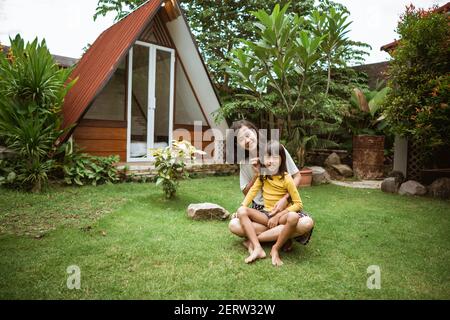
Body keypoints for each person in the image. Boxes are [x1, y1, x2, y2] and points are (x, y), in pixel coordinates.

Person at [228, 120, 314, 252]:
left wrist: (285, 198)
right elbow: (247, 193)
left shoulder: (276, 149)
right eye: (240, 139)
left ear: (255, 131)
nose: (246, 140)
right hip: (260, 210)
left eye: (247, 134)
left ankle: (256, 239)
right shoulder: (244, 163)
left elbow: (297, 176)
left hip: (282, 207)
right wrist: (257, 175)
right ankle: (283, 235)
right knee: (234, 225)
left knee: (306, 223)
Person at [236, 140, 305, 266]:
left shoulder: (287, 178)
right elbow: (252, 192)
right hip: (267, 214)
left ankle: (275, 248)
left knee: (294, 217)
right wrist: (243, 206)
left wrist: (278, 215)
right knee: (241, 211)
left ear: (281, 160)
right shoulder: (263, 175)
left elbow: (298, 204)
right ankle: (257, 247)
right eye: (268, 157)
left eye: (275, 157)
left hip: (281, 216)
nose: (271, 161)